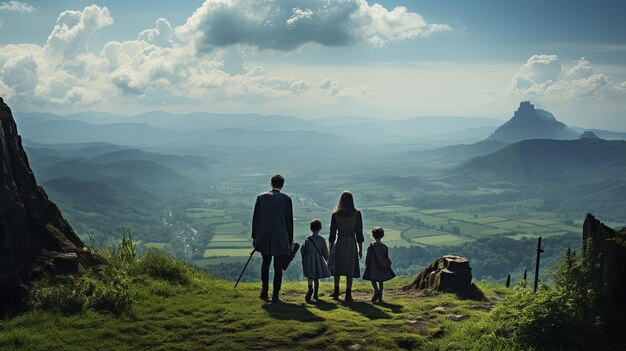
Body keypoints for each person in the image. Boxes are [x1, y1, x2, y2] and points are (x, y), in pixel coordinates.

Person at [251, 174, 294, 303]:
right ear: (282, 184)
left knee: (265, 263)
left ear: (271, 183)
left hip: (263, 236)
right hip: (280, 237)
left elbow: (256, 219)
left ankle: (264, 292)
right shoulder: (286, 199)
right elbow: (289, 222)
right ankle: (275, 296)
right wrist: (289, 241)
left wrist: (254, 236)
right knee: (278, 267)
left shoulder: (261, 197)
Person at [328, 190, 363, 302]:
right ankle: (348, 293)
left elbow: (332, 233)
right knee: (350, 268)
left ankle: (336, 291)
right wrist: (360, 248)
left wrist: (330, 248)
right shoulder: (357, 214)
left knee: (337, 267)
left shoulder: (335, 214)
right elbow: (359, 232)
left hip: (340, 242)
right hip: (351, 243)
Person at [301, 219, 332, 302]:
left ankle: (310, 288)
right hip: (318, 259)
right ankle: (316, 294)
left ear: (310, 228)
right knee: (316, 277)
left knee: (310, 276)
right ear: (320, 228)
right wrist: (327, 260)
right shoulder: (321, 239)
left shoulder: (307, 239)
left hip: (308, 259)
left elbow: (303, 250)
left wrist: (304, 259)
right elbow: (325, 251)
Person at [362, 226, 396, 303]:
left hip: (372, 265)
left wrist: (366, 263)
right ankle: (380, 294)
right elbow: (386, 257)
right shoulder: (384, 247)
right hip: (381, 265)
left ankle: (376, 291)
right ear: (382, 235)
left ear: (373, 235)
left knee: (373, 279)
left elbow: (369, 255)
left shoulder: (371, 245)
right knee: (381, 280)